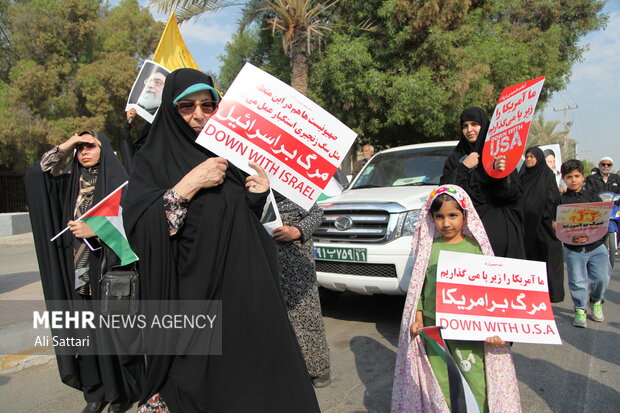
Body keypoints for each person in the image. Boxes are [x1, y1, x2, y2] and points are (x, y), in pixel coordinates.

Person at [123, 68, 320, 413]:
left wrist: (257, 196)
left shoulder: (229, 153)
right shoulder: (151, 160)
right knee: (200, 385)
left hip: (246, 294)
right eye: (186, 106)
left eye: (207, 105)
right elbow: (139, 227)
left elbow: (237, 220)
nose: (198, 114)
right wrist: (188, 185)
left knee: (257, 382)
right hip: (191, 295)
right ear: (170, 109)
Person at [24, 132, 143, 413]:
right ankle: (95, 392)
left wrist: (97, 230)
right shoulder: (69, 184)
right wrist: (66, 145)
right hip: (77, 273)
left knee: (111, 335)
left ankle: (120, 393)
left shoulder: (119, 183)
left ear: (104, 148)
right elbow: (36, 175)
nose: (83, 152)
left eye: (90, 145)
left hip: (107, 271)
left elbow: (136, 221)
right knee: (84, 331)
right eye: (79, 148)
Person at [392, 185, 521, 412]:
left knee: (474, 378)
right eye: (439, 216)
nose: (446, 223)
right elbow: (419, 289)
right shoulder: (427, 250)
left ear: (465, 215)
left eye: (453, 215)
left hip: (468, 330)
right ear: (431, 218)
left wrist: (494, 328)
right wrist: (419, 316)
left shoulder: (475, 249)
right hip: (434, 330)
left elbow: (490, 294)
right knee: (440, 381)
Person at [440, 107, 526, 259]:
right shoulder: (456, 158)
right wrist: (463, 168)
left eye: (474, 124)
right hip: (467, 231)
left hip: (498, 228)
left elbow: (513, 194)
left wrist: (501, 173)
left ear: (485, 126)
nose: (469, 130)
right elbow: (444, 193)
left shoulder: (498, 153)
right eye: (465, 126)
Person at [271, 195, 331, 387]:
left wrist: (297, 230)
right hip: (268, 261)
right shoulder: (253, 188)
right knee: (276, 318)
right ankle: (287, 369)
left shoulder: (294, 187)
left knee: (307, 316)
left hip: (298, 265)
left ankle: (318, 369)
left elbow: (317, 213)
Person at [555, 159, 611, 328]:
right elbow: (555, 224)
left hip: (597, 246)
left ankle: (596, 301)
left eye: (577, 176)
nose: (573, 180)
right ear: (564, 179)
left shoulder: (593, 198)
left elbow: (603, 221)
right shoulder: (561, 201)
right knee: (578, 281)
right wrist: (571, 237)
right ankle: (580, 309)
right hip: (574, 249)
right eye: (569, 177)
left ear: (583, 177)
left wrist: (592, 236)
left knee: (602, 277)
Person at [519, 147, 565, 302]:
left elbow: (553, 198)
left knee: (549, 257)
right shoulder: (522, 175)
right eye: (527, 156)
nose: (530, 159)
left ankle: (553, 293)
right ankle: (531, 292)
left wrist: (549, 217)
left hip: (545, 224)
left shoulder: (547, 175)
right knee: (529, 257)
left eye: (533, 156)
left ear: (539, 158)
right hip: (526, 225)